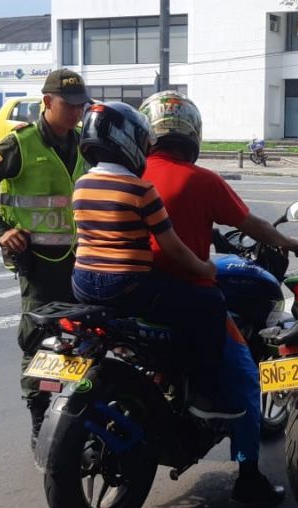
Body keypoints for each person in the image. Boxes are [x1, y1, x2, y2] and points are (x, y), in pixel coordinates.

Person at [138, 90, 298, 506]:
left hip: (127, 293)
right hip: (186, 294)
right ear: (191, 133)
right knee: (247, 375)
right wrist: (290, 241)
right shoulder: (203, 180)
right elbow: (254, 225)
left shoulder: (129, 173)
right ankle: (249, 478)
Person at [70, 101, 239, 426]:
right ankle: (205, 395)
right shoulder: (140, 189)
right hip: (127, 285)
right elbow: (173, 248)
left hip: (81, 283)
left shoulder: (82, 184)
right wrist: (205, 269)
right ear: (129, 141)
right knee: (210, 304)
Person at [0, 69, 90, 448]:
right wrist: (1, 230)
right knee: (39, 340)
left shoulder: (86, 143)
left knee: (82, 338)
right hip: (37, 262)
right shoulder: (20, 143)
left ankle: (75, 413)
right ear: (47, 102)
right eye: (69, 105)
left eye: (80, 105)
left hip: (80, 259)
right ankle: (39, 417)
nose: (76, 112)